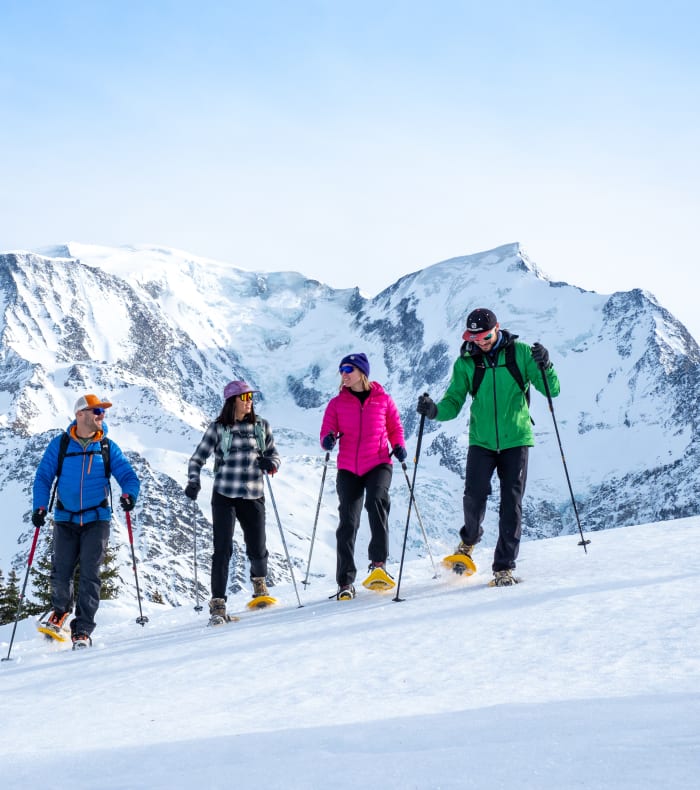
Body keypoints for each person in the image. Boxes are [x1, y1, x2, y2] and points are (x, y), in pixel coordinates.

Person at [416, 308, 560, 586]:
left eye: (484, 336)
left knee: (511, 504)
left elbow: (551, 389)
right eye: (475, 337)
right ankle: (468, 542)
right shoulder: (466, 363)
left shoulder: (520, 353)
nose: (480, 342)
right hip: (481, 441)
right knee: (474, 497)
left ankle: (503, 567)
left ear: (498, 329)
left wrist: (546, 365)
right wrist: (434, 410)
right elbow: (454, 402)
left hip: (516, 440)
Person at [32, 394, 141, 648]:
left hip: (96, 518)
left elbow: (128, 475)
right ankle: (60, 611)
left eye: (103, 412)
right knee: (61, 573)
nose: (102, 416)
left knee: (91, 575)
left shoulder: (106, 446)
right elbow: (43, 477)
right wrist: (39, 506)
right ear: (80, 414)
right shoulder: (60, 446)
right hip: (65, 518)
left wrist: (129, 494)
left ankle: (81, 629)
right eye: (97, 412)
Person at [185, 380, 280, 623]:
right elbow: (197, 459)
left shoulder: (261, 426)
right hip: (224, 495)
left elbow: (274, 455)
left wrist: (271, 464)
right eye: (244, 397)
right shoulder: (218, 429)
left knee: (257, 546)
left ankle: (260, 584)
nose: (249, 401)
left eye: (250, 397)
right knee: (222, 549)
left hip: (253, 494)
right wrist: (194, 481)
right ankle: (218, 601)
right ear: (232, 401)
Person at [320, 352, 407, 600]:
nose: (344, 375)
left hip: (379, 462)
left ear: (362, 373)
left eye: (349, 369)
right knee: (348, 520)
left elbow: (395, 428)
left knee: (376, 502)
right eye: (341, 371)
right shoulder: (337, 404)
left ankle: (378, 565)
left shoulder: (383, 400)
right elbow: (327, 430)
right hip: (349, 467)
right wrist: (328, 439)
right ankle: (345, 582)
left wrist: (398, 444)